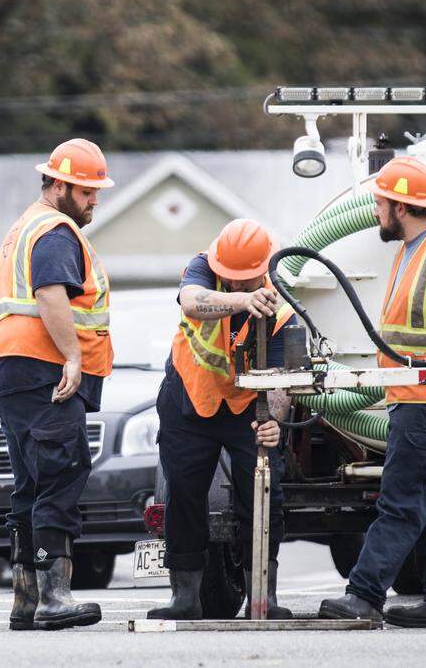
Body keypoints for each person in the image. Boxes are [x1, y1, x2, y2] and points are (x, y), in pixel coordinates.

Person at [319, 156, 426, 629]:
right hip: (414, 396)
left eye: (380, 203)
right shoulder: (411, 249)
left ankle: (364, 594)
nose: (375, 211)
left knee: (403, 497)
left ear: (400, 206)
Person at [0, 138, 114, 631]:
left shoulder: (25, 226)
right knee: (63, 472)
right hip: (39, 366)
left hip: (7, 367)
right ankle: (55, 598)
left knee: (31, 482)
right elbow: (50, 293)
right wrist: (73, 357)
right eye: (86, 191)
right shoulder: (55, 231)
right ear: (59, 186)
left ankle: (26, 599)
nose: (94, 201)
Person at [147, 218, 297, 621]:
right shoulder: (202, 266)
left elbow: (281, 383)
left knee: (263, 494)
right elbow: (193, 302)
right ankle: (185, 597)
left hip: (249, 406)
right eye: (227, 278)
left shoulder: (283, 302)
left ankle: (262, 597)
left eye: (243, 282)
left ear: (263, 270)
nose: (232, 285)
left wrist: (275, 422)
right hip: (189, 396)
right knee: (183, 492)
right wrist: (243, 301)